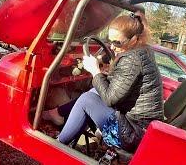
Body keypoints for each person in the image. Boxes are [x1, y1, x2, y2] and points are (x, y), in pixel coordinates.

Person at [42, 12, 164, 152]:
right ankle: (58, 115)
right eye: (109, 40)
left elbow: (110, 99)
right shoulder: (141, 51)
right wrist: (103, 65)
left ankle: (57, 146)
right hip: (141, 128)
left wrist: (95, 71)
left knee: (87, 99)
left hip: (133, 135)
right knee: (94, 93)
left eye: (117, 42)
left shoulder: (133, 60)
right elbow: (120, 76)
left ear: (134, 39)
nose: (112, 46)